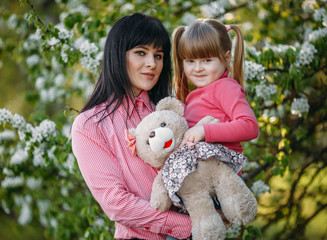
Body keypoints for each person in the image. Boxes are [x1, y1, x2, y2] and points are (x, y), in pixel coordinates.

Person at [71, 13, 191, 240]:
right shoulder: (90, 125)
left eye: (158, 55)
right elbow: (116, 202)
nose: (151, 64)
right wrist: (185, 226)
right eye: (140, 52)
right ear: (117, 55)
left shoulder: (169, 113)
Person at [172, 18, 259, 154]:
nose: (197, 68)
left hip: (218, 170)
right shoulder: (196, 95)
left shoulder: (225, 87)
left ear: (226, 58)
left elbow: (249, 126)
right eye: (190, 61)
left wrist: (204, 131)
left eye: (207, 60)